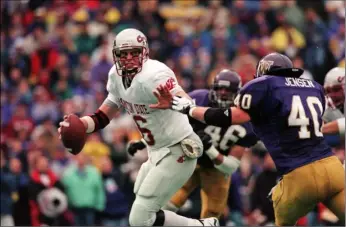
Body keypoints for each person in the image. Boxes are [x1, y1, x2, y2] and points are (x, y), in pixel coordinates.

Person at [151, 52, 345, 226]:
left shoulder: (265, 85)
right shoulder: (315, 87)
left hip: (300, 174)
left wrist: (187, 108)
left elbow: (229, 117)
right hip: (333, 167)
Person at [58, 28, 218, 226]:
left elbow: (186, 101)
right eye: (123, 54)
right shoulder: (116, 76)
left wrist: (175, 103)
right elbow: (104, 115)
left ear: (145, 52)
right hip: (156, 151)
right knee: (147, 210)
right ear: (115, 55)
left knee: (139, 218)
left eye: (134, 52)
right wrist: (81, 125)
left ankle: (203, 226)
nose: (129, 58)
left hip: (179, 148)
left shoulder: (154, 74)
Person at [128, 69, 258, 219]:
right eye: (220, 88)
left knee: (212, 215)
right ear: (212, 89)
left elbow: (231, 166)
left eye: (228, 90)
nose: (223, 93)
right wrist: (144, 142)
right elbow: (172, 127)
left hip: (216, 170)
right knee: (167, 202)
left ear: (238, 92)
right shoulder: (198, 100)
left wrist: (210, 149)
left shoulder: (244, 119)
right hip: (189, 159)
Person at [322, 67, 345, 139]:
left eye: (336, 89)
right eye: (328, 91)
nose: (332, 95)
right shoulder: (326, 109)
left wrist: (320, 130)